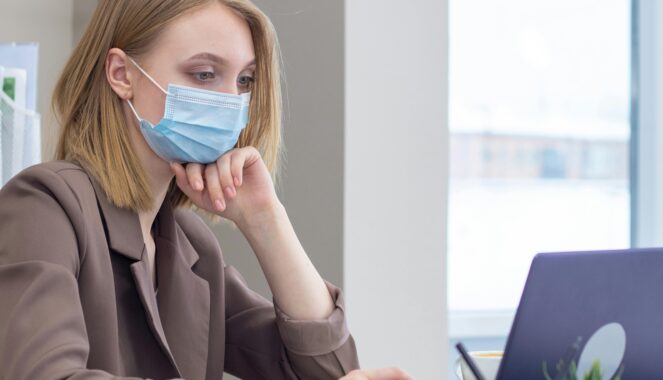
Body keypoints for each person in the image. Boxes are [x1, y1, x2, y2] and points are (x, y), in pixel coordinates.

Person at [0, 1, 410, 379]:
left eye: (244, 79)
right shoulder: (45, 205)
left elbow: (329, 369)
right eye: (204, 74)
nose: (231, 101)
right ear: (122, 75)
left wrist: (266, 219)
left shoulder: (191, 246)